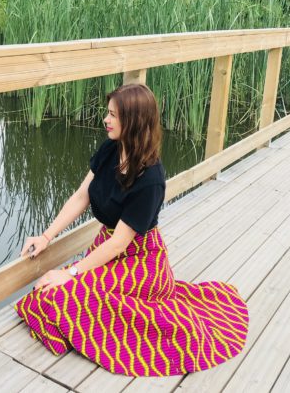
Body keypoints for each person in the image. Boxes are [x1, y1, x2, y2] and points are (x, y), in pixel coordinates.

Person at [14, 83, 249, 376]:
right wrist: (46, 236)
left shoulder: (151, 178)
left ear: (134, 120)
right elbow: (81, 196)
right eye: (108, 113)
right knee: (47, 291)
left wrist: (70, 273)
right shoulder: (109, 150)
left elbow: (120, 243)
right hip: (107, 247)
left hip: (140, 260)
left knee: (61, 293)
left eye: (113, 115)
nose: (106, 119)